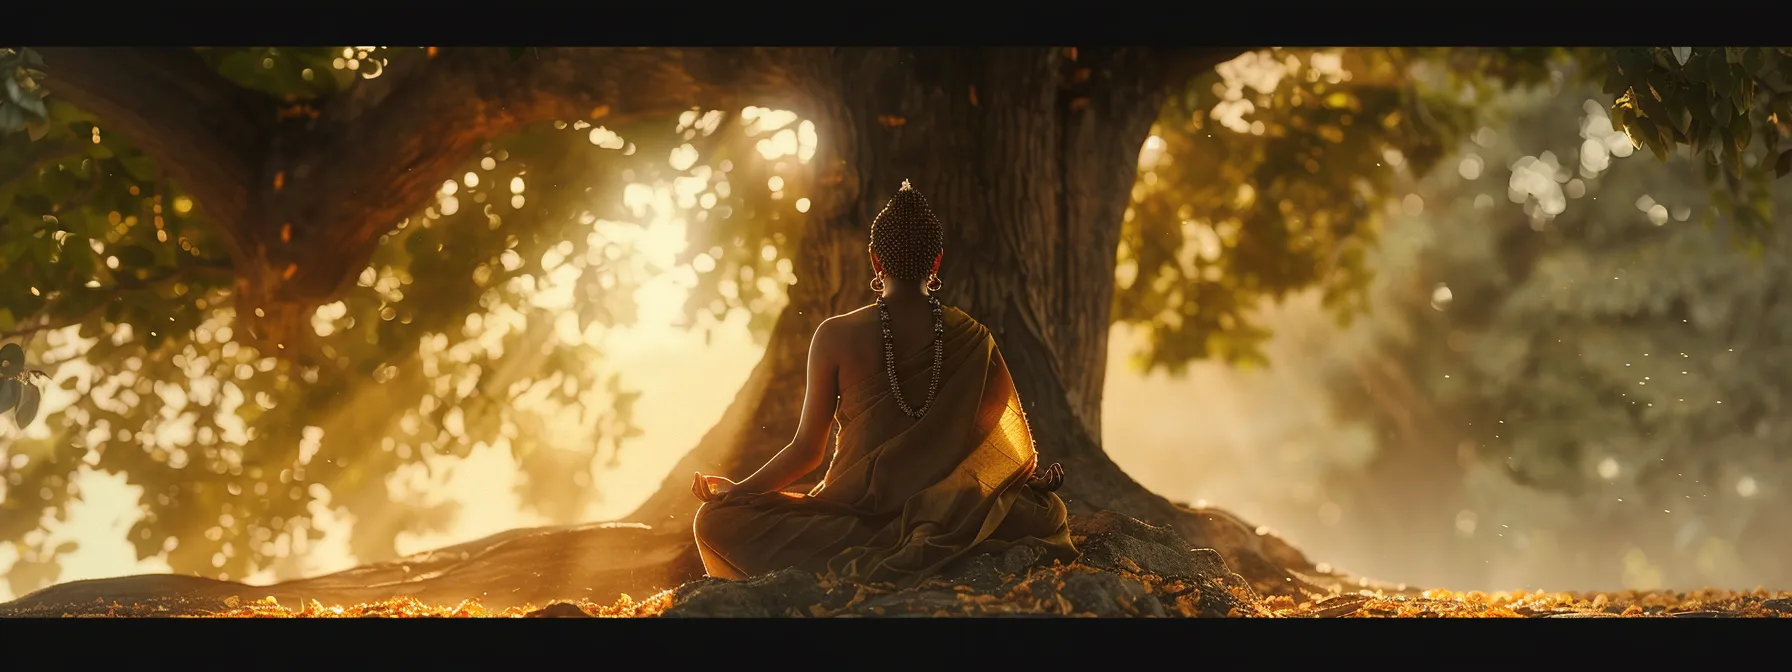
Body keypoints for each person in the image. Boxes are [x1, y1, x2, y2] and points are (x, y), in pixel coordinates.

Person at [689, 179, 1076, 586]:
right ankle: (934, 545)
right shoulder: (973, 336)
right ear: (937, 262)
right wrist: (1023, 480)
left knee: (715, 521)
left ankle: (857, 558)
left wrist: (740, 493)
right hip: (952, 516)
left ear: (876, 261)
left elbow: (806, 451)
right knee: (1047, 512)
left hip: (857, 518)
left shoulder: (835, 335)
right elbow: (999, 444)